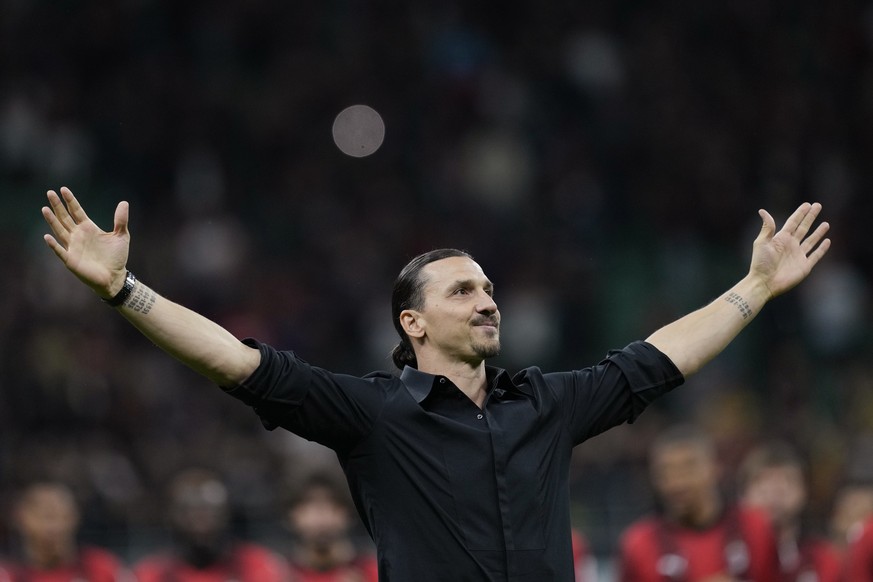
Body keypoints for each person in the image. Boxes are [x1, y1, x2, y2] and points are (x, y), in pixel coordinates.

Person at [40, 186, 830, 581]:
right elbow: (232, 360)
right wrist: (123, 290)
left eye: (488, 288)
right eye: (461, 291)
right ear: (411, 325)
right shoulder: (372, 415)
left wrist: (754, 288)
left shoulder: (546, 405)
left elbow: (662, 358)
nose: (486, 300)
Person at [617, 425, 781, 581]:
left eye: (688, 468)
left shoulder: (755, 527)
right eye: (665, 472)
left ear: (714, 468)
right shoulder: (639, 544)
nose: (677, 482)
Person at [133, 468, 286, 582]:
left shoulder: (262, 567)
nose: (200, 521)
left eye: (210, 510)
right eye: (189, 511)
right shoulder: (149, 574)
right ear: (169, 516)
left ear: (226, 513)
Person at [738, 441, 843, 582]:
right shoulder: (722, 554)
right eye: (763, 481)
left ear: (804, 492)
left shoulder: (823, 557)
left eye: (787, 480)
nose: (775, 492)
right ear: (743, 495)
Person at [0, 481, 129, 582]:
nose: (54, 525)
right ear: (22, 519)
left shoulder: (104, 568)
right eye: (46, 516)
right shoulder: (7, 576)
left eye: (61, 515)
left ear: (75, 517)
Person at [282, 471, 378, 582]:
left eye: (333, 504)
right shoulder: (275, 572)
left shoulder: (374, 570)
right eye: (309, 503)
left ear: (349, 513)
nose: (321, 514)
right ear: (292, 514)